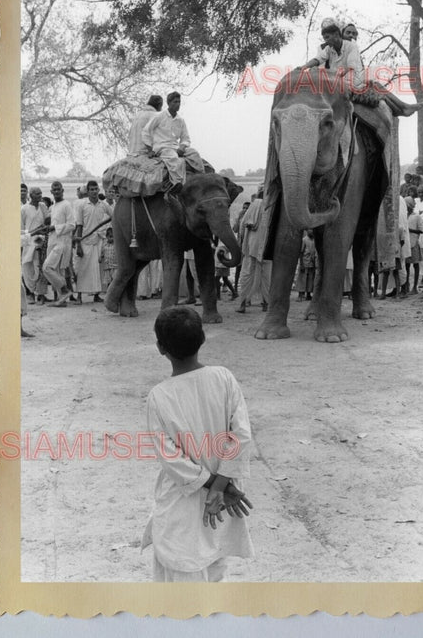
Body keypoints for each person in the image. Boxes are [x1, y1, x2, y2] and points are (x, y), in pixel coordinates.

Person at [146, 306, 254, 582]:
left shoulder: (159, 396)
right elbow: (241, 436)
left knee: (181, 576)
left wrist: (215, 486)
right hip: (219, 502)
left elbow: (172, 459)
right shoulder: (224, 378)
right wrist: (223, 485)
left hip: (183, 501)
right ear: (203, 339)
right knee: (215, 566)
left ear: (160, 348)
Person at [142, 91, 205, 194]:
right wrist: (150, 150)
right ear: (169, 103)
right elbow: (145, 131)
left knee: (194, 154)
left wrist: (182, 147)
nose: (178, 104)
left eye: (179, 102)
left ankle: (202, 180)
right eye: (175, 102)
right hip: (162, 147)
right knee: (175, 161)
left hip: (176, 147)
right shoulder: (159, 116)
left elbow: (186, 138)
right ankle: (178, 186)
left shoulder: (180, 120)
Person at [73, 180, 113, 304]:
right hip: (85, 240)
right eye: (92, 189)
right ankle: (79, 296)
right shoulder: (82, 205)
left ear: (98, 190)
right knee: (82, 267)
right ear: (88, 191)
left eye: (96, 189)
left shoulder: (103, 205)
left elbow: (114, 215)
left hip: (99, 240)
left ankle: (96, 295)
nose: (94, 191)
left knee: (98, 269)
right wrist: (78, 244)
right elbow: (79, 225)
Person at [236, 187, 271, 314]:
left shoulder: (254, 206)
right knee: (266, 276)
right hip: (266, 249)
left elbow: (243, 226)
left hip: (250, 248)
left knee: (247, 275)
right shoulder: (269, 207)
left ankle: (243, 304)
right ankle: (265, 303)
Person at [41, 181, 75, 307]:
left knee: (47, 268)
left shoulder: (67, 205)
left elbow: (72, 225)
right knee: (56, 271)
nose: (56, 192)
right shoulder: (53, 207)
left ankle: (65, 290)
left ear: (62, 190)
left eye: (58, 189)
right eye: (54, 190)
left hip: (62, 243)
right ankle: (62, 300)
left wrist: (54, 227)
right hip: (53, 241)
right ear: (51, 192)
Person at [21, 186, 49, 303]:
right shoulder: (24, 209)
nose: (40, 195)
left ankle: (41, 295)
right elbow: (21, 229)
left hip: (41, 241)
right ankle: (30, 292)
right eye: (37, 194)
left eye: (40, 193)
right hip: (28, 241)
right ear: (31, 195)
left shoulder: (43, 206)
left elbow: (47, 220)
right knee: (28, 267)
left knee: (41, 267)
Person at [405, 196, 423, 294]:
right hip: (406, 243)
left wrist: (409, 230)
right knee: (407, 265)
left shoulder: (416, 216)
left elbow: (421, 230)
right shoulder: (404, 215)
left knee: (415, 264)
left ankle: (415, 287)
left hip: (414, 242)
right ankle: (406, 285)